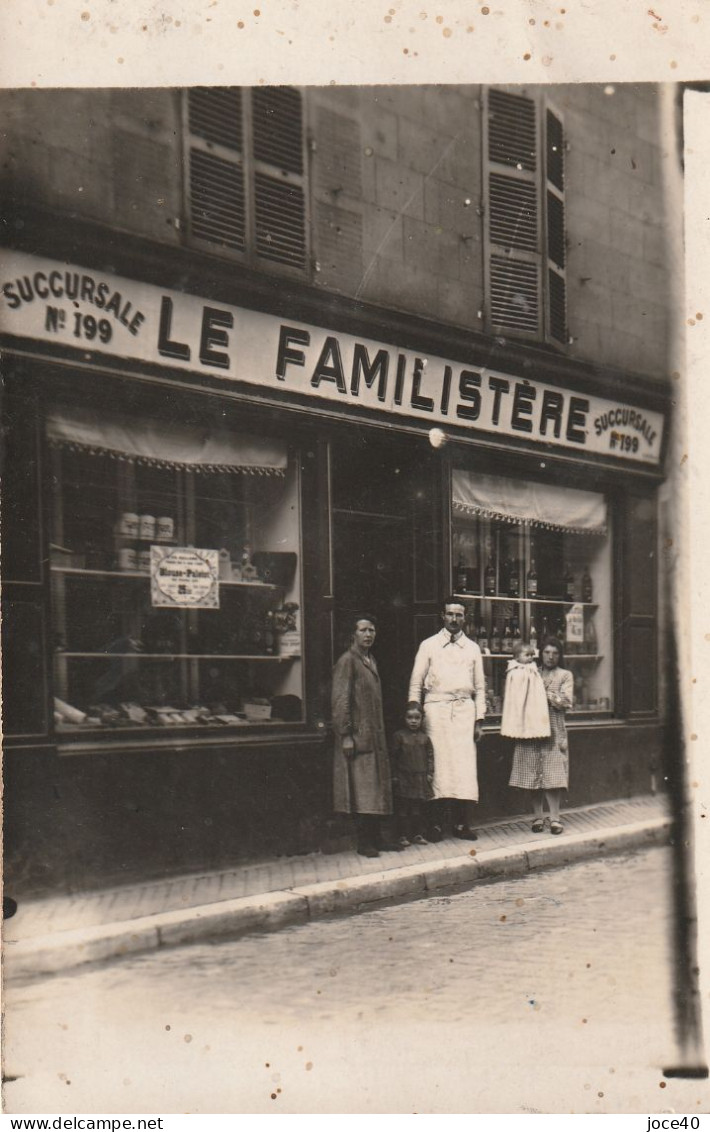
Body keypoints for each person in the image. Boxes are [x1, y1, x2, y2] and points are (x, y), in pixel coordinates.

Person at [408, 597, 487, 841]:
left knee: (463, 768)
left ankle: (462, 824)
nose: (454, 619)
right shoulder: (428, 645)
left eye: (459, 615)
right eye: (450, 614)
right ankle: (435, 825)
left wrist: (479, 720)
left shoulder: (473, 648)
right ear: (442, 616)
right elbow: (416, 682)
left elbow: (480, 687)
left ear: (465, 618)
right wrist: (414, 710)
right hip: (436, 711)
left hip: (464, 711)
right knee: (438, 767)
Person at [331, 614, 395, 858]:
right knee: (362, 790)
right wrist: (346, 734)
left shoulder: (370, 660)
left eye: (372, 630)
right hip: (358, 737)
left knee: (375, 788)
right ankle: (364, 841)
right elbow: (340, 701)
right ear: (353, 634)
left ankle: (377, 838)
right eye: (363, 630)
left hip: (373, 735)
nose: (368, 635)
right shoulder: (348, 661)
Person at [507, 636, 573, 835]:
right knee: (533, 774)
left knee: (554, 774)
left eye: (555, 653)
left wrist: (547, 696)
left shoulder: (565, 675)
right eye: (546, 652)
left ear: (559, 656)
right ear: (540, 653)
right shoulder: (531, 671)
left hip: (553, 729)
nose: (550, 657)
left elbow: (567, 701)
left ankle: (554, 818)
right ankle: (537, 816)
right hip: (532, 728)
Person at [390, 702, 435, 847]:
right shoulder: (399, 736)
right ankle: (402, 836)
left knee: (417, 808)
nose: (413, 721)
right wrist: (394, 775)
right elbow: (393, 757)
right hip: (404, 778)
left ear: (422, 719)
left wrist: (429, 772)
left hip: (419, 778)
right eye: (410, 717)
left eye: (417, 718)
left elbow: (430, 756)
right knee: (403, 808)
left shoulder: (425, 738)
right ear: (404, 718)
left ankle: (417, 834)